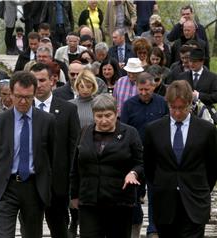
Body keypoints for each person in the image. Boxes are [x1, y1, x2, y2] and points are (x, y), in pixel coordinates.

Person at [143, 80, 217, 238]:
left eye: (182, 108)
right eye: (173, 108)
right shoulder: (153, 129)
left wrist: (200, 188)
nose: (177, 113)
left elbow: (212, 167)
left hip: (195, 200)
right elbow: (149, 165)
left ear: (190, 104)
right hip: (164, 201)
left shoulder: (206, 130)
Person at [0, 71, 56, 238]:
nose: (23, 101)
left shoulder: (47, 121)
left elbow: (52, 155)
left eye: (28, 97)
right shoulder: (0, 121)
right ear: (11, 93)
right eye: (18, 96)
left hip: (34, 187)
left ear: (34, 95)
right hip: (7, 186)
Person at [70, 93, 143, 238]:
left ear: (117, 112)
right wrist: (74, 195)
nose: (103, 120)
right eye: (99, 116)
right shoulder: (84, 132)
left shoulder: (130, 133)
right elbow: (76, 166)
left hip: (119, 202)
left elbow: (141, 163)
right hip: (89, 200)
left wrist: (133, 173)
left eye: (108, 115)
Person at [31, 63, 80, 238]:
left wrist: (72, 181)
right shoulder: (23, 108)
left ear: (52, 80)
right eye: (34, 81)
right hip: (29, 182)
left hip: (57, 183)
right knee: (29, 230)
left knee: (59, 229)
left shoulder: (68, 109)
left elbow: (74, 147)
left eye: (42, 80)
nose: (38, 85)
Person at [121, 72, 169, 238]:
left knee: (155, 192)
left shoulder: (163, 103)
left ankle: (154, 228)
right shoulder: (128, 105)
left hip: (158, 155)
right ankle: (136, 221)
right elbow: (124, 129)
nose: (143, 93)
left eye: (147, 89)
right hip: (136, 156)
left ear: (153, 86)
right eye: (140, 90)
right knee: (134, 193)